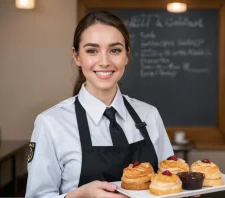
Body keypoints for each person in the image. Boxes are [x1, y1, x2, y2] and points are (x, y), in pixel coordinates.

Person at [25, 10, 174, 198]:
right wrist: (79, 196)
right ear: (77, 56)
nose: (104, 62)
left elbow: (169, 180)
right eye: (92, 51)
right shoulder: (51, 123)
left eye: (115, 50)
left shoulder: (149, 115)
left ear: (126, 55)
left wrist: (184, 188)